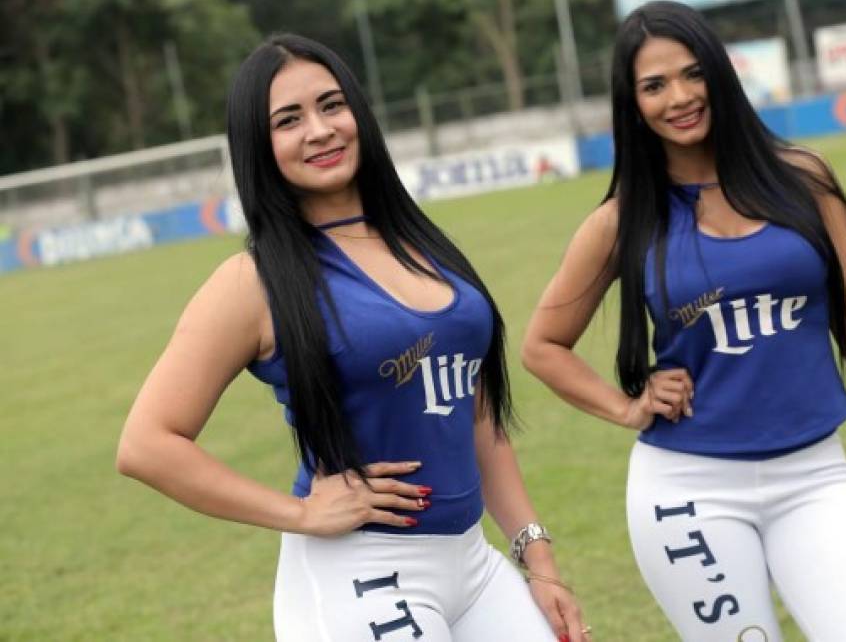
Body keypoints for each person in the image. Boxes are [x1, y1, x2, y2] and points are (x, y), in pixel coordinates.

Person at [117, 33, 588, 642]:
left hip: (473, 565)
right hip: (360, 574)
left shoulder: (424, 246)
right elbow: (146, 444)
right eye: (289, 120)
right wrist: (302, 513)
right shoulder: (251, 282)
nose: (319, 130)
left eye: (331, 105)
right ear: (259, 146)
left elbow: (475, 414)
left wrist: (538, 556)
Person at [521, 1, 846, 642]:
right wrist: (627, 407)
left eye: (693, 74)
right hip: (689, 493)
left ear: (720, 74)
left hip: (817, 477)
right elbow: (542, 345)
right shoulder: (621, 220)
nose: (680, 97)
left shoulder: (805, 180)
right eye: (654, 86)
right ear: (631, 104)